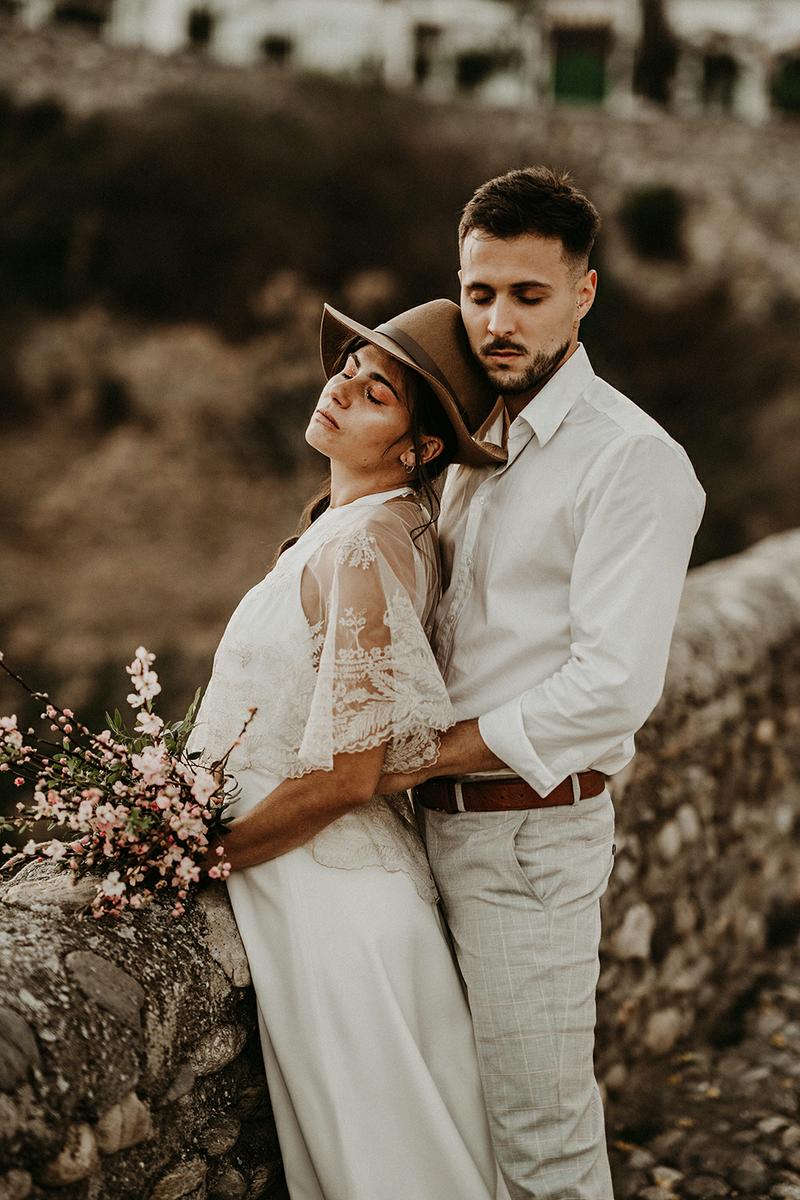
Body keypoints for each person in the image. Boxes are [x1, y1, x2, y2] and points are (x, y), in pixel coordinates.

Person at [378, 167, 707, 1199]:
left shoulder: (630, 461)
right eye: (477, 292)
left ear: (583, 293)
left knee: (541, 1142)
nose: (495, 321)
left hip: (526, 836)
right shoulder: (472, 433)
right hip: (417, 830)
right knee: (443, 1123)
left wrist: (420, 756)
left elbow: (610, 688)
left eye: (526, 294)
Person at [188, 299, 511, 1200]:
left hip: (335, 909)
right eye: (349, 371)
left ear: (420, 449)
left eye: (376, 394)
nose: (341, 390)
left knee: (392, 1169)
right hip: (316, 893)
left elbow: (352, 773)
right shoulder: (359, 530)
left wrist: (201, 858)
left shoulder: (367, 547)